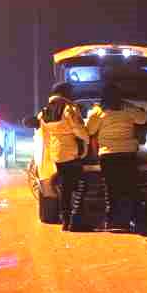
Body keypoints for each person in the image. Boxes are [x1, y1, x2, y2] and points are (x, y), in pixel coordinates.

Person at [84, 83, 147, 231]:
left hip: (108, 156)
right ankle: (136, 219)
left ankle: (112, 221)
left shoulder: (98, 112)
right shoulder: (128, 109)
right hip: (127, 154)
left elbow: (90, 130)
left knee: (111, 189)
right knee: (131, 188)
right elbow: (143, 119)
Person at [38, 81, 89, 230]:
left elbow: (45, 135)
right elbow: (78, 129)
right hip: (71, 152)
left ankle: (66, 220)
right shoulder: (69, 108)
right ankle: (75, 221)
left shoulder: (45, 111)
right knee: (78, 186)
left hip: (57, 152)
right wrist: (87, 138)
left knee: (65, 188)